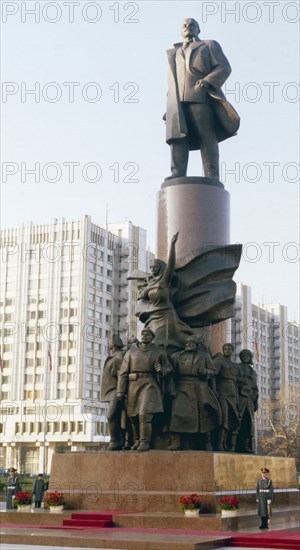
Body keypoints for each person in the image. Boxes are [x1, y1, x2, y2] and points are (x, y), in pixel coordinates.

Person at [165, 18, 239, 180]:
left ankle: (211, 173)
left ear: (198, 30)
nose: (188, 27)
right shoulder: (175, 52)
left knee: (206, 134)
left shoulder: (209, 45)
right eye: (184, 25)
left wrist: (208, 81)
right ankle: (177, 173)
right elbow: (173, 81)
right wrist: (168, 107)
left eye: (192, 25)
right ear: (180, 30)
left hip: (200, 96)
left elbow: (224, 67)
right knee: (177, 138)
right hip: (177, 102)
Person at [135, 232, 193, 353]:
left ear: (160, 267)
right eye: (150, 267)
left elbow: (171, 265)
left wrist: (172, 245)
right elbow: (140, 297)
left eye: (155, 266)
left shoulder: (164, 281)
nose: (152, 269)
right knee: (153, 342)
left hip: (167, 315)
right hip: (153, 317)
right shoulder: (149, 285)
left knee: (169, 342)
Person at [117, 328, 173, 451]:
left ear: (152, 337)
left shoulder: (159, 351)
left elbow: (168, 367)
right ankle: (137, 440)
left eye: (147, 334)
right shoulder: (131, 352)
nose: (144, 336)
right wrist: (120, 390)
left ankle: (145, 441)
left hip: (150, 384)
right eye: (143, 334)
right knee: (133, 415)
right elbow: (123, 372)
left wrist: (161, 369)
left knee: (144, 414)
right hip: (133, 385)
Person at [169, 336, 222, 450]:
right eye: (188, 342)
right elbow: (171, 374)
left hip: (199, 386)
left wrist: (205, 372)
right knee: (176, 413)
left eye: (192, 342)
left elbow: (213, 371)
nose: (189, 344)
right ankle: (176, 440)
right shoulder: (177, 356)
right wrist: (172, 389)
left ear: (197, 345)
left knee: (205, 412)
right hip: (181, 386)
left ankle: (207, 441)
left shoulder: (204, 356)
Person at [100, 335, 126, 451]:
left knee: (111, 415)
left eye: (110, 342)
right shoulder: (114, 356)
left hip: (117, 390)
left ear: (114, 344)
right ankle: (118, 441)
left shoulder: (119, 356)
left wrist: (121, 391)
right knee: (117, 417)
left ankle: (115, 441)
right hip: (112, 390)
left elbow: (122, 374)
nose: (108, 344)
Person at [213, 343, 240, 451]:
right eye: (225, 348)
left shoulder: (233, 365)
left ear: (232, 351)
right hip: (222, 392)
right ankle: (219, 443)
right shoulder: (219, 360)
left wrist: (237, 397)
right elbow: (213, 376)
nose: (227, 350)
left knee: (231, 419)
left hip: (232, 393)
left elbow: (236, 382)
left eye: (229, 349)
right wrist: (214, 390)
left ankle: (225, 443)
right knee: (223, 418)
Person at [235, 349, 259, 453]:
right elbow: (233, 380)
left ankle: (245, 445)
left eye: (247, 355)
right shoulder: (236, 367)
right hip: (239, 397)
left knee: (248, 422)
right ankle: (233, 444)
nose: (245, 357)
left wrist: (255, 401)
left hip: (249, 399)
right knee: (237, 420)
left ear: (250, 357)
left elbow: (255, 388)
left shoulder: (253, 372)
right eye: (243, 355)